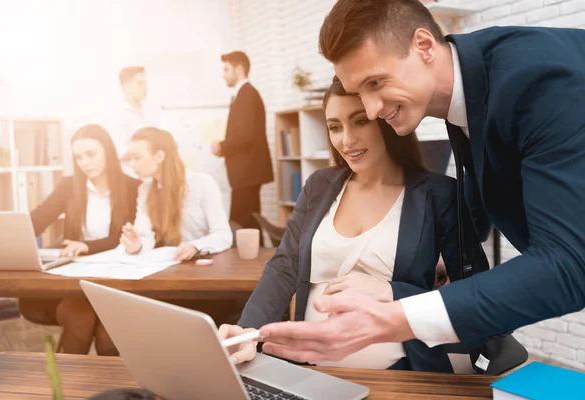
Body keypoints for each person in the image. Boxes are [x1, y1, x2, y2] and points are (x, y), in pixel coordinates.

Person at [259, 0, 585, 366]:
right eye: (358, 92)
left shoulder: (539, 83)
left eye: (375, 82)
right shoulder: (469, 87)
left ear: (424, 46)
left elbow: (570, 264)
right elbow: (485, 182)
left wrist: (390, 317)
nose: (370, 110)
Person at [217, 76, 488, 372]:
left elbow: (475, 295)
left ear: (384, 120)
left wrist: (391, 292)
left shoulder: (439, 195)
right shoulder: (319, 185)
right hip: (312, 370)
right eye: (335, 127)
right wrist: (247, 331)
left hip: (399, 375)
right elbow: (285, 266)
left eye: (360, 121)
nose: (346, 140)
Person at [19, 124, 140, 355]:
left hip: (119, 280)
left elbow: (132, 237)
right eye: (78, 157)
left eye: (91, 154)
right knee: (79, 316)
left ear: (108, 151)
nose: (85, 163)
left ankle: (111, 390)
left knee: (109, 332)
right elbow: (37, 220)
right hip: (76, 283)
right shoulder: (69, 185)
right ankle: (68, 389)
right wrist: (6, 232)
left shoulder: (133, 187)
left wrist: (88, 246)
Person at [120, 127, 232, 259]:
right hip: (169, 266)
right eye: (130, 158)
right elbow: (145, 235)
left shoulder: (202, 183)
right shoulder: (145, 189)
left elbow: (223, 235)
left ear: (159, 156)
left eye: (137, 158)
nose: (132, 164)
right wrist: (137, 244)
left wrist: (195, 246)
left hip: (204, 265)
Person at [211, 51, 273, 232]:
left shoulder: (246, 94)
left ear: (239, 69)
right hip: (247, 173)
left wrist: (221, 146)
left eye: (226, 69)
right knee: (251, 224)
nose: (223, 75)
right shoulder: (244, 94)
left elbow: (245, 135)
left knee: (239, 225)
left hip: (247, 172)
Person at [112, 66, 161, 160]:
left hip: (153, 170)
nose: (145, 88)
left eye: (145, 83)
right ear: (126, 86)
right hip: (131, 173)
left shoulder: (152, 110)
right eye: (140, 84)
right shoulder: (118, 116)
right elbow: (121, 154)